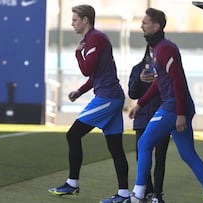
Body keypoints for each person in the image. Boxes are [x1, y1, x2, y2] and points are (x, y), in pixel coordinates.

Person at [128, 8, 203, 203]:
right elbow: (159, 81)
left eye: (145, 23)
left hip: (173, 107)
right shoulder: (158, 49)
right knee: (188, 155)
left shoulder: (166, 49)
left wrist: (180, 114)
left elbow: (178, 81)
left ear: (156, 26)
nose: (141, 26)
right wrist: (140, 103)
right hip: (176, 107)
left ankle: (138, 196)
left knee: (144, 143)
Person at [48, 4, 130, 203]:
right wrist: (80, 91)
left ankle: (72, 184)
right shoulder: (93, 39)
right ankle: (124, 195)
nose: (72, 23)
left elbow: (86, 69)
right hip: (112, 97)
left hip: (108, 98)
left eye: (75, 19)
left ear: (85, 20)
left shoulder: (96, 38)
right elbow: (95, 75)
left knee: (73, 134)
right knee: (115, 148)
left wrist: (77, 53)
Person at [128, 45, 170, 203]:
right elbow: (132, 93)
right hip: (142, 118)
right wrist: (139, 79)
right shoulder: (137, 68)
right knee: (142, 156)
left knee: (160, 157)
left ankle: (157, 194)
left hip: (162, 117)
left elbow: (172, 91)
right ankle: (149, 190)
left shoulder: (167, 69)